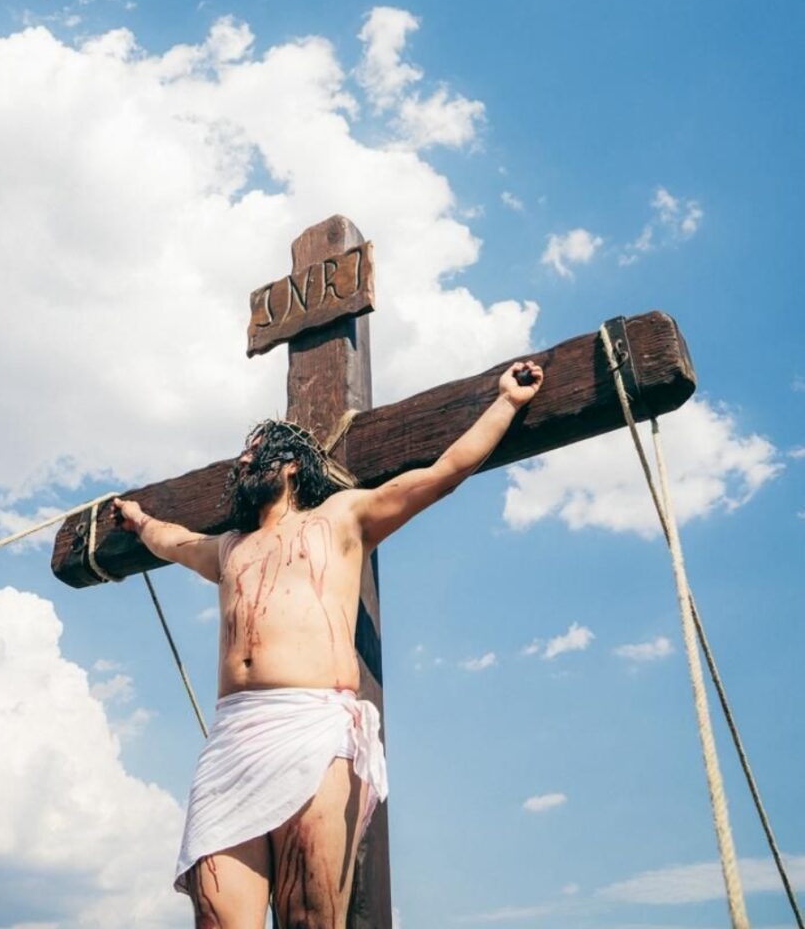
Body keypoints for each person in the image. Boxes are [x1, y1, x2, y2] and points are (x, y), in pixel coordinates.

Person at [113, 359, 543, 929]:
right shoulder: (229, 547)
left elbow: (443, 472)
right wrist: (138, 519)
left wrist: (507, 402)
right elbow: (173, 541)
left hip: (311, 724)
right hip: (233, 738)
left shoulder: (343, 517)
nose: (242, 463)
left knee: (310, 918)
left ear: (291, 464)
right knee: (217, 919)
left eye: (254, 454)